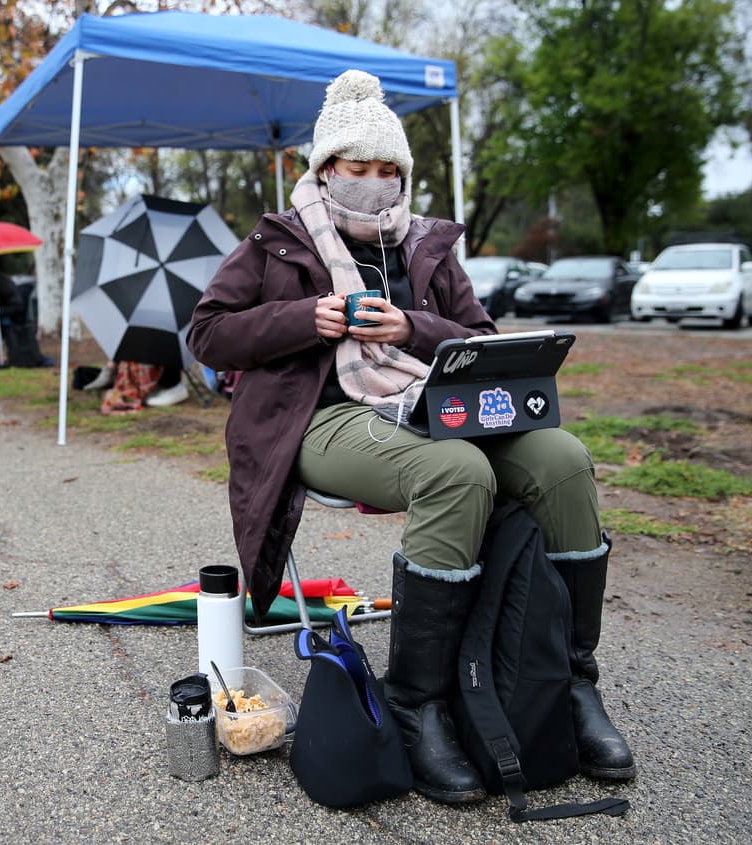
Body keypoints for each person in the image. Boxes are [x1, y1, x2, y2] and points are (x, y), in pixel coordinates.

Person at [187, 70, 635, 805]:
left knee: (562, 456)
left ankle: (571, 685)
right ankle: (417, 701)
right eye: (356, 169)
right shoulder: (278, 241)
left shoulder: (427, 245)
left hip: (431, 403)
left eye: (387, 170)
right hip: (321, 418)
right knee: (456, 472)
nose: (373, 182)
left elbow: (484, 340)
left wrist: (413, 326)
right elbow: (207, 334)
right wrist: (308, 318)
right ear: (325, 168)